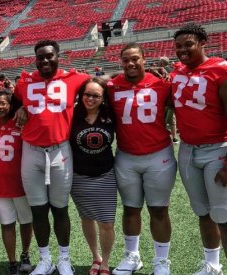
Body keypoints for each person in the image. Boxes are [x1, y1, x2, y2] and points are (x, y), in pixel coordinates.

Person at [13, 40, 90, 274]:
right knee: (38, 209)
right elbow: (14, 98)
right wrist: (19, 107)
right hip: (32, 150)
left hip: (60, 150)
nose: (44, 61)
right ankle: (45, 259)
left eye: (49, 56)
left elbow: (98, 86)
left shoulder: (74, 78)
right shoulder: (24, 81)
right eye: (40, 57)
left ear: (58, 56)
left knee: (60, 208)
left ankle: (64, 259)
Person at [108, 43, 176, 275]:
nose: (130, 63)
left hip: (159, 154)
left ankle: (161, 261)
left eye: (135, 58)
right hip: (126, 156)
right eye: (126, 59)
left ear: (144, 59)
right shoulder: (112, 85)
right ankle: (132, 256)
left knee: (159, 210)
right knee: (130, 209)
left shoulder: (161, 83)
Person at [171, 23, 227, 274]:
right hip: (187, 150)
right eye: (178, 46)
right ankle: (212, 265)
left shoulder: (220, 69)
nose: (182, 50)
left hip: (217, 148)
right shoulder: (177, 72)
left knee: (223, 216)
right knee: (203, 212)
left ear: (204, 42)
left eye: (188, 44)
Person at [0, 90, 33, 275]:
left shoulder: (19, 121)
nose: (0, 107)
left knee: (26, 222)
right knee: (7, 224)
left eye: (4, 103)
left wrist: (24, 107)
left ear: (11, 105)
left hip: (22, 184)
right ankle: (12, 261)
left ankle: (25, 254)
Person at [70, 78, 116, 275]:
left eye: (96, 95)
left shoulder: (111, 115)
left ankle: (105, 262)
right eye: (87, 94)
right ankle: (95, 257)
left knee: (106, 223)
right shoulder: (72, 114)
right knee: (86, 218)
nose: (90, 98)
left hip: (105, 174)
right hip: (79, 176)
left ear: (103, 98)